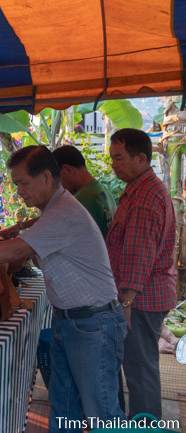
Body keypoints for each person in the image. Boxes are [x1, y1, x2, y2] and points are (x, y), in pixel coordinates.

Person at [0, 146, 126, 433]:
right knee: (65, 407)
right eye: (16, 184)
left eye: (23, 183)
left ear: (45, 177)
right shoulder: (54, 210)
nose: (19, 192)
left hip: (93, 324)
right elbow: (21, 247)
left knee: (102, 416)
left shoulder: (64, 212)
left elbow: (17, 249)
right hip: (71, 321)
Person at [106, 128, 177, 419]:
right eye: (112, 159)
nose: (114, 165)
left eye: (119, 158)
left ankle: (145, 425)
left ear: (141, 158)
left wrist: (126, 303)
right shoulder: (140, 189)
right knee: (141, 367)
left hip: (141, 299)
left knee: (140, 370)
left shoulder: (145, 197)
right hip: (144, 297)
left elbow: (138, 257)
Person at [52, 146, 116, 238]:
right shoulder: (102, 190)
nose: (60, 185)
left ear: (67, 170)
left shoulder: (83, 199)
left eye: (58, 178)